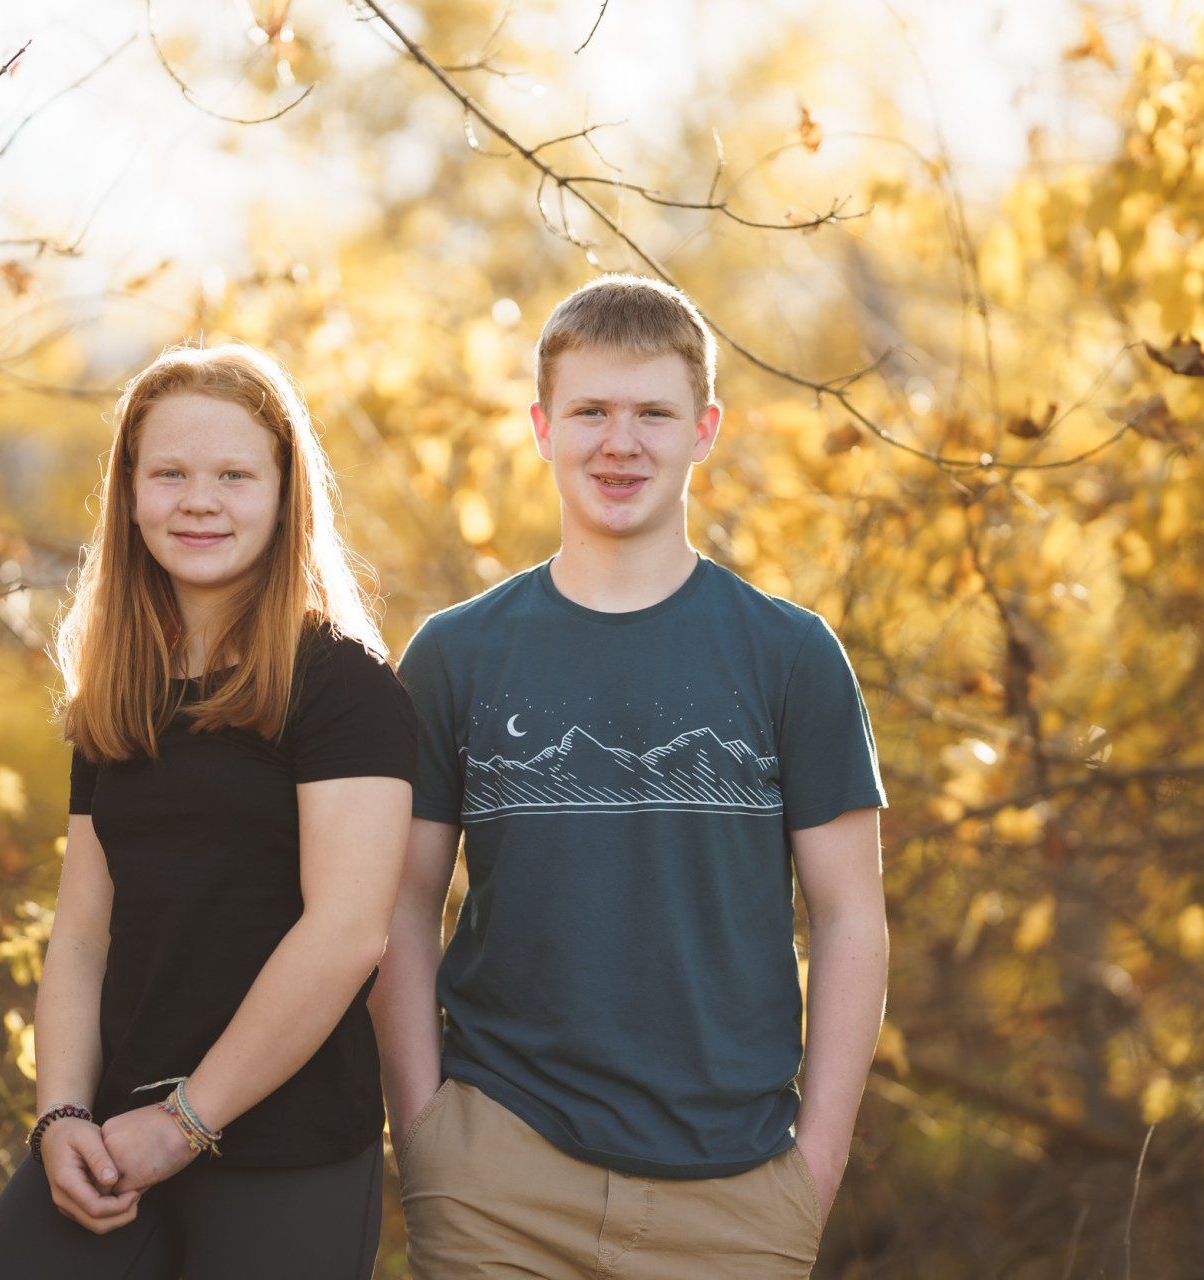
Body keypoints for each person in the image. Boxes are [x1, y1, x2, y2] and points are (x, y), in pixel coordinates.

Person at [371, 276, 890, 1279]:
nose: (621, 442)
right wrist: (425, 1131)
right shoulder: (453, 655)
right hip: (497, 1179)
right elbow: (398, 902)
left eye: (653, 412)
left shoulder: (793, 656)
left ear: (704, 429)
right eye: (591, 412)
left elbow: (853, 918)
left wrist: (812, 1171)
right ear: (540, 427)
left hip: (737, 1192)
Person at [0, 342, 418, 1279]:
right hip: (112, 1138)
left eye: (233, 475)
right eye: (168, 473)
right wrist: (58, 1117)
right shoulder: (117, 692)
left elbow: (346, 933)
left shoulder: (341, 684)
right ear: (129, 494)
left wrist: (186, 1123)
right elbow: (83, 938)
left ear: (286, 496)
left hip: (284, 1146)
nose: (198, 500)